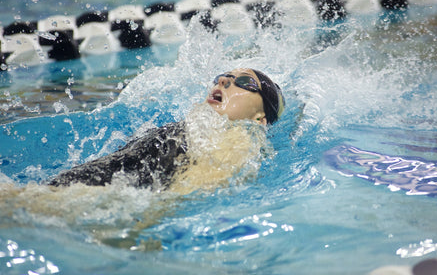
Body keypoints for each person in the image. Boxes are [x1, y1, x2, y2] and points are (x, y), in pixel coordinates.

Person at [48, 68, 285, 191]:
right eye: (222, 77)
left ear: (259, 119)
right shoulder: (200, 129)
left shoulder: (241, 136)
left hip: (92, 197)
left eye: (244, 83)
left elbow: (195, 189)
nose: (223, 81)